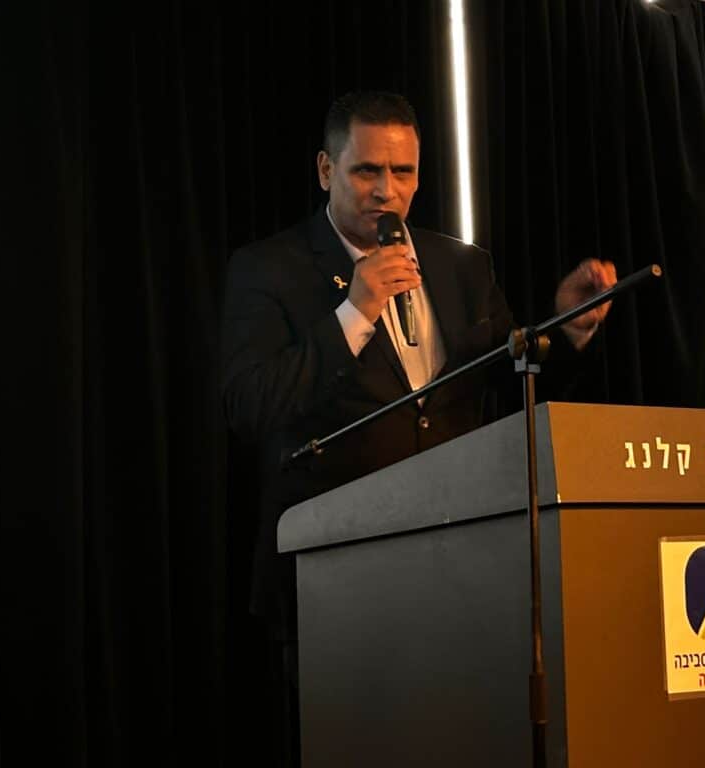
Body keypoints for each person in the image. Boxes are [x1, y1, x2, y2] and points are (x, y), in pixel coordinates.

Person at [220, 90, 615, 764]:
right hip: (331, 581)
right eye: (366, 170)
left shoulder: (462, 266)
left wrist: (564, 332)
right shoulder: (269, 269)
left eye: (402, 172)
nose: (386, 191)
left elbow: (506, 384)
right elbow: (250, 406)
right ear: (326, 170)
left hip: (456, 573)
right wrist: (355, 313)